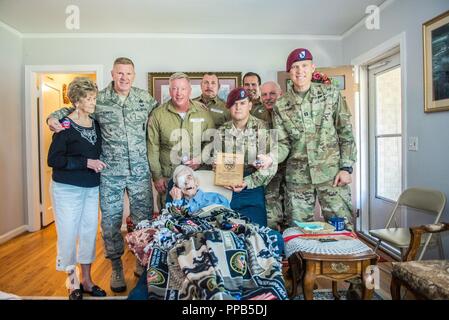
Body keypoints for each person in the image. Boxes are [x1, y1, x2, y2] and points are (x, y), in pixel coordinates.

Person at [47, 57, 158, 292]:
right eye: (120, 73)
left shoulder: (145, 99)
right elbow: (75, 106)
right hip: (111, 173)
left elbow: (160, 118)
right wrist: (53, 117)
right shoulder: (99, 99)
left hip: (139, 171)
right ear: (112, 73)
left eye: (128, 73)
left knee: (144, 220)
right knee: (110, 223)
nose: (124, 78)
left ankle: (141, 261)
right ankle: (116, 267)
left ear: (134, 75)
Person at [261, 48, 357, 230]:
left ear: (312, 67)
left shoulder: (331, 94)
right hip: (298, 179)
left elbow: (345, 131)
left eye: (304, 66)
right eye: (295, 67)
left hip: (332, 175)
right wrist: (271, 158)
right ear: (290, 72)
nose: (300, 71)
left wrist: (346, 168)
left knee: (342, 227)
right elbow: (283, 143)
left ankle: (340, 259)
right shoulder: (281, 105)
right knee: (298, 229)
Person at [47, 77, 106, 300]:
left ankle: (87, 280)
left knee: (90, 232)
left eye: (94, 97)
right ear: (77, 101)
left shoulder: (95, 123)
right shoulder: (64, 125)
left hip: (91, 187)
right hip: (66, 189)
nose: (93, 102)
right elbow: (54, 159)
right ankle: (72, 282)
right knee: (69, 234)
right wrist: (86, 162)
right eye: (89, 99)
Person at [147, 72, 215, 210]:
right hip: (169, 178)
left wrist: (201, 158)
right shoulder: (158, 114)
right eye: (174, 88)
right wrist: (157, 177)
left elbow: (212, 141)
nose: (179, 93)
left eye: (183, 88)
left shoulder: (203, 112)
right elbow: (152, 147)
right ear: (170, 90)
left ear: (190, 90)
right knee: (169, 219)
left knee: (197, 219)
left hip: (197, 178)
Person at [212, 87, 276, 227]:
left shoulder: (263, 128)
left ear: (250, 105)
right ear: (229, 107)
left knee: (255, 230)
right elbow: (216, 162)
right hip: (227, 189)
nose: (238, 107)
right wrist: (221, 174)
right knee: (227, 230)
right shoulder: (222, 131)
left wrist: (248, 182)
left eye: (242, 103)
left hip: (253, 186)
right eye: (234, 104)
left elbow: (271, 165)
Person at [258, 81, 287, 231]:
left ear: (280, 94)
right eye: (264, 94)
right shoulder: (259, 115)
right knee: (272, 215)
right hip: (271, 173)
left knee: (293, 214)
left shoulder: (289, 112)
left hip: (292, 170)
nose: (268, 98)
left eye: (272, 94)